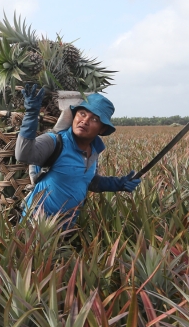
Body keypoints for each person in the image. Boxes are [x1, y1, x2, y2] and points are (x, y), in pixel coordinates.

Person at [15, 84, 140, 226]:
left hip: (65, 229)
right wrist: (31, 114)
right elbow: (23, 154)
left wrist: (118, 184)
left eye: (94, 119)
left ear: (102, 128)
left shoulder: (94, 151)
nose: (85, 121)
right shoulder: (55, 141)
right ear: (74, 116)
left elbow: (88, 181)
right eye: (82, 114)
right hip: (35, 226)